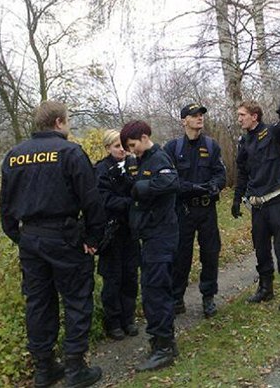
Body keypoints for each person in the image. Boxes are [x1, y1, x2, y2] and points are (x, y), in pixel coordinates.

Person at [0, 100, 106, 388]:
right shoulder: (70, 152)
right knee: (76, 299)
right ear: (59, 122)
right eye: (68, 121)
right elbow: (91, 200)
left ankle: (44, 368)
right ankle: (74, 369)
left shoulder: (14, 155)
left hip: (31, 239)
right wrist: (93, 238)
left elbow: (5, 206)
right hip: (64, 237)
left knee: (38, 303)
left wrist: (20, 237)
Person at [120, 120, 180, 372]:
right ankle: (159, 340)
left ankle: (164, 347)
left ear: (144, 137)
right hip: (150, 235)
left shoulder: (160, 159)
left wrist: (141, 188)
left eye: (133, 145)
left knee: (156, 290)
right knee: (152, 288)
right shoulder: (142, 160)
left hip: (161, 235)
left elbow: (171, 182)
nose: (132, 151)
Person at [231, 97, 280, 311]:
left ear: (254, 116)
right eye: (238, 115)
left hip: (276, 202)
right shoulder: (244, 142)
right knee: (261, 249)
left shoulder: (271, 133)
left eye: (242, 115)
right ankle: (265, 288)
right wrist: (236, 199)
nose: (239, 119)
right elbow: (242, 173)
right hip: (257, 206)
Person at [164, 103, 226, 318]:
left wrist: (214, 185)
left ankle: (208, 297)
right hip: (183, 211)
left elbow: (221, 174)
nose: (200, 118)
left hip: (207, 210)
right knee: (181, 256)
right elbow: (168, 180)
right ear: (184, 121)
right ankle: (177, 297)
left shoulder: (211, 145)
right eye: (194, 115)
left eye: (201, 115)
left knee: (210, 253)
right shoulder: (172, 148)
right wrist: (191, 188)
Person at [95, 130, 140, 340]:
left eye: (123, 145)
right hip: (111, 232)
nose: (121, 149)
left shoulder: (135, 164)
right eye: (116, 146)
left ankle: (128, 318)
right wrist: (131, 203)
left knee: (130, 276)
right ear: (107, 148)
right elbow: (105, 200)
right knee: (112, 279)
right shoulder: (101, 170)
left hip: (131, 230)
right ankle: (113, 322)